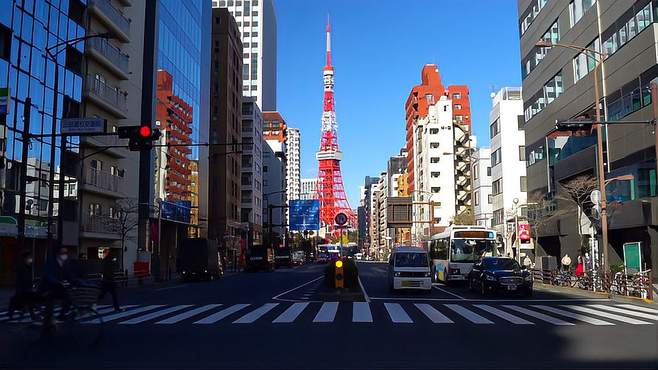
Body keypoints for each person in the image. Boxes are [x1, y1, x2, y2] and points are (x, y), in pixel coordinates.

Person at [40, 246, 76, 331]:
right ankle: (46, 328)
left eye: (66, 253)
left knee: (69, 298)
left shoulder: (64, 263)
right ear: (58, 254)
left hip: (57, 287)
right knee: (49, 307)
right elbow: (48, 275)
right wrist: (57, 282)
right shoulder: (51, 262)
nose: (65, 255)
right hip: (47, 287)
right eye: (63, 253)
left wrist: (74, 282)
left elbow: (68, 275)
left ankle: (61, 316)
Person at [8, 251, 39, 320]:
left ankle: (31, 315)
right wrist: (19, 288)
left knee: (28, 302)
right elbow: (19, 278)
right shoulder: (21, 266)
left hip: (27, 288)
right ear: (25, 258)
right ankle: (12, 312)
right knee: (19, 302)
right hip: (22, 288)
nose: (31, 259)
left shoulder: (29, 266)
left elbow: (29, 277)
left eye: (31, 257)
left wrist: (32, 284)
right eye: (29, 257)